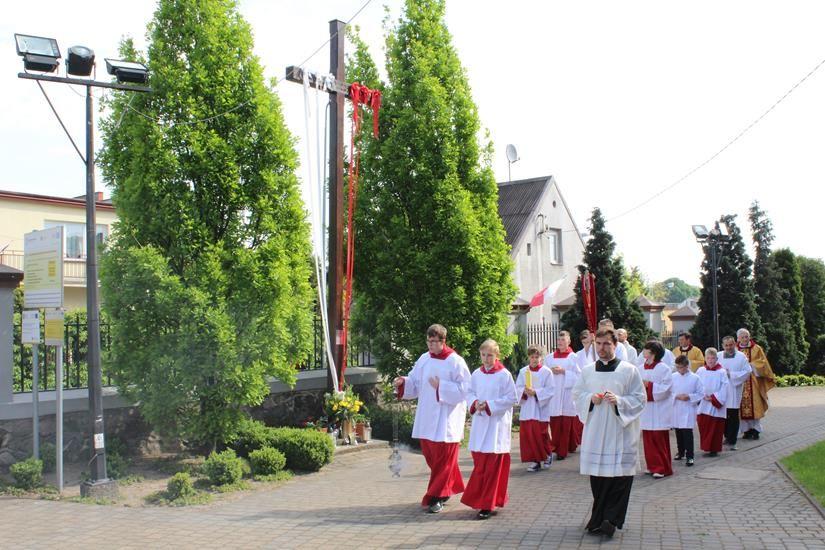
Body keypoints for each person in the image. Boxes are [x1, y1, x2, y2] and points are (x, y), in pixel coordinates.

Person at [572, 328, 646, 538]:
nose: (602, 348)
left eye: (607, 344)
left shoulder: (629, 370)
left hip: (620, 432)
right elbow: (577, 395)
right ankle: (598, 518)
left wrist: (620, 401)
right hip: (596, 432)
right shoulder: (587, 371)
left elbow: (640, 399)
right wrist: (589, 399)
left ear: (616, 345)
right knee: (599, 477)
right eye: (599, 344)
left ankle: (611, 520)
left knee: (620, 478)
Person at [394, 324, 471, 513]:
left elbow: (466, 389)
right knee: (433, 458)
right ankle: (450, 485)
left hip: (447, 419)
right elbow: (415, 381)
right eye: (428, 341)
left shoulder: (455, 361)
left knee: (444, 460)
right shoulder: (424, 359)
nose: (430, 345)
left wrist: (442, 386)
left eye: (434, 342)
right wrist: (403, 382)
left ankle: (437, 496)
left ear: (443, 341)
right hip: (427, 416)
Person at [461, 339, 518, 520]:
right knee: (480, 466)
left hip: (496, 426)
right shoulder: (476, 374)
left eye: (490, 355)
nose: (486, 359)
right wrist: (475, 403)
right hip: (480, 424)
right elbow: (469, 392)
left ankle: (488, 504)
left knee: (493, 467)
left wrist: (489, 405)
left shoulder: (504, 375)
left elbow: (511, 398)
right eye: (483, 355)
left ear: (497, 356)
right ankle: (482, 500)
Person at [515, 345, 554, 472]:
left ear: (541, 358)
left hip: (540, 409)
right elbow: (517, 388)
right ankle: (535, 461)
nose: (534, 359)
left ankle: (547, 454)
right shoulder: (523, 371)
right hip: (528, 408)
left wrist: (536, 392)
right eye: (532, 357)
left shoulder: (546, 372)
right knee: (529, 436)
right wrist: (524, 392)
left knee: (542, 434)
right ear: (528, 358)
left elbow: (550, 390)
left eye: (537, 357)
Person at [638, 340, 674, 478]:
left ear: (652, 352)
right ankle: (652, 465)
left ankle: (663, 467)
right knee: (648, 438)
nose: (643, 352)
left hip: (659, 408)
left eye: (645, 349)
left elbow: (666, 388)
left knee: (659, 437)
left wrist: (649, 385)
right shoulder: (640, 368)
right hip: (647, 408)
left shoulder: (663, 368)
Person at [544, 331, 580, 461]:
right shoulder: (549, 358)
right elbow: (544, 374)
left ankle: (562, 451)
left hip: (566, 393)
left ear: (568, 342)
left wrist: (564, 372)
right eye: (559, 340)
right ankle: (555, 447)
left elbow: (579, 376)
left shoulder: (574, 357)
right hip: (554, 393)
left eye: (563, 340)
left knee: (565, 424)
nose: (560, 342)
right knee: (555, 423)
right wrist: (550, 372)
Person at [736, 328, 775, 440]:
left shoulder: (756, 348)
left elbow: (763, 363)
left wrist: (750, 365)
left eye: (746, 336)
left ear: (749, 337)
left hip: (754, 382)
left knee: (755, 406)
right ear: (738, 338)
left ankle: (756, 430)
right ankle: (746, 430)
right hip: (740, 382)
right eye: (742, 337)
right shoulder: (734, 350)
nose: (744, 339)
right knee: (741, 407)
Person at [717, 336, 752, 450]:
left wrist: (731, 374)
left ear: (734, 344)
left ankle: (733, 440)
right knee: (724, 415)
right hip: (722, 389)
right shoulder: (718, 356)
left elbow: (747, 371)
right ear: (723, 346)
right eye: (726, 345)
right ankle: (726, 436)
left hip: (734, 389)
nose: (728, 347)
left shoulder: (741, 357)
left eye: (731, 345)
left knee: (733, 415)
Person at [695, 348, 729, 457]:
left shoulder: (721, 372)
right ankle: (706, 447)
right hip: (703, 402)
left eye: (713, 358)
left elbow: (725, 387)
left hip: (715, 402)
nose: (710, 360)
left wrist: (713, 398)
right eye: (708, 358)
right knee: (704, 425)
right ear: (705, 358)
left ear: (717, 359)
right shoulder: (701, 370)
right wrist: (701, 395)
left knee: (715, 426)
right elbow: (696, 383)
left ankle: (713, 449)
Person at [671, 355, 704, 466]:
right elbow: (668, 392)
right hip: (676, 407)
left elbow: (701, 393)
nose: (679, 369)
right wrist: (676, 396)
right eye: (677, 367)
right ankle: (680, 452)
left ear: (686, 366)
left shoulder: (695, 378)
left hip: (688, 408)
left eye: (681, 367)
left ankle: (690, 456)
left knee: (687, 433)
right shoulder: (673, 377)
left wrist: (689, 396)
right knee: (678, 432)